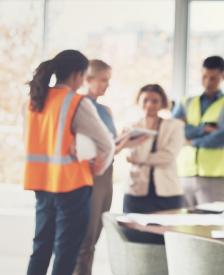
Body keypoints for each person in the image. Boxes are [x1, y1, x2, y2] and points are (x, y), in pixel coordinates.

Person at [24, 50, 114, 275]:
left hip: (42, 184)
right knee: (66, 253)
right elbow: (107, 144)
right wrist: (96, 169)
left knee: (41, 248)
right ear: (77, 75)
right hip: (71, 186)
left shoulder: (36, 98)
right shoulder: (76, 101)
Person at [73, 59, 135, 275]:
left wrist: (125, 141)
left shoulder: (105, 110)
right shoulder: (79, 105)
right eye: (103, 80)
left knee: (93, 238)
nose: (107, 85)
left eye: (108, 80)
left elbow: (109, 144)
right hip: (89, 175)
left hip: (106, 175)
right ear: (88, 79)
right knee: (84, 238)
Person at [173, 56, 224, 207]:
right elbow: (175, 129)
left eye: (213, 78)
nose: (207, 82)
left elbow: (223, 137)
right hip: (184, 175)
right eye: (204, 77)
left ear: (223, 77)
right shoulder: (186, 102)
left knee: (213, 226)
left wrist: (192, 139)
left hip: (215, 177)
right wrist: (203, 129)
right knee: (181, 226)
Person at [123, 84, 185, 213]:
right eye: (145, 100)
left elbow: (168, 156)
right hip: (136, 192)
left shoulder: (175, 126)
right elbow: (135, 156)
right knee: (133, 232)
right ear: (138, 101)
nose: (150, 105)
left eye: (155, 101)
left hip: (168, 193)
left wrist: (140, 160)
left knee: (167, 232)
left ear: (162, 103)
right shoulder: (130, 127)